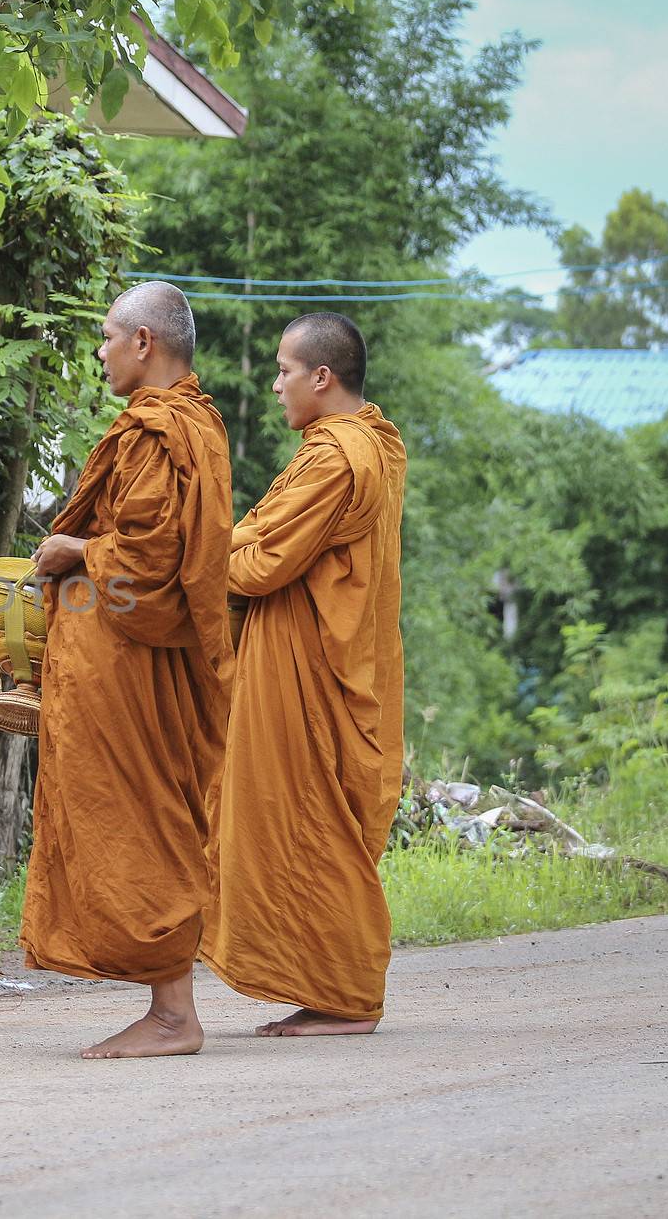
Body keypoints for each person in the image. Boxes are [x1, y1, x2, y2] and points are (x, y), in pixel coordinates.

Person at [22, 280, 234, 1060]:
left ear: (144, 342)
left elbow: (147, 558)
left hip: (131, 665)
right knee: (155, 815)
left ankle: (175, 1014)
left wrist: (72, 550)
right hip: (149, 662)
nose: (101, 351)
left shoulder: (159, 430)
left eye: (108, 336)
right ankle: (171, 1006)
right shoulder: (199, 424)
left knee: (138, 817)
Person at [201, 312, 406, 1037]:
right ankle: (329, 989)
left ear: (323, 376)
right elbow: (267, 536)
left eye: (285, 370)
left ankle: (347, 995)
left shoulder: (336, 457)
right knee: (297, 819)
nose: (276, 383)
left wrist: (192, 560)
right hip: (313, 660)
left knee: (305, 820)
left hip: (310, 669)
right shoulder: (361, 443)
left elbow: (260, 564)